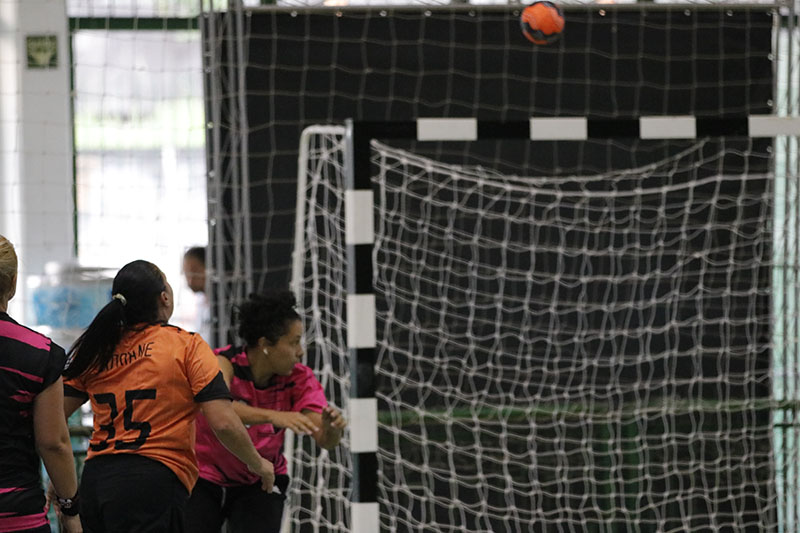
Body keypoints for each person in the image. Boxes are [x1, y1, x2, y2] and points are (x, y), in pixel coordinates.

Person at [61, 260, 275, 533]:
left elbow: (54, 418)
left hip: (97, 480)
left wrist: (60, 477)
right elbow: (223, 422)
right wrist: (257, 463)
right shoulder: (185, 345)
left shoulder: (97, 348)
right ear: (164, 297)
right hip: (153, 481)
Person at [186, 290, 347, 533]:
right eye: (293, 342)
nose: (301, 351)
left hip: (261, 480)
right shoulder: (222, 362)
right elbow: (218, 409)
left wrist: (332, 429)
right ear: (264, 345)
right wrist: (273, 416)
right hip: (204, 476)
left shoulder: (299, 378)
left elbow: (324, 438)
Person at [0, 235, 81, 533]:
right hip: (17, 517)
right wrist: (70, 509)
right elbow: (53, 443)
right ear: (12, 284)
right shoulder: (40, 354)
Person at [180, 246, 212, 343]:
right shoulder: (200, 303)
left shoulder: (220, 305)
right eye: (186, 272)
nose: (190, 279)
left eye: (195, 271)